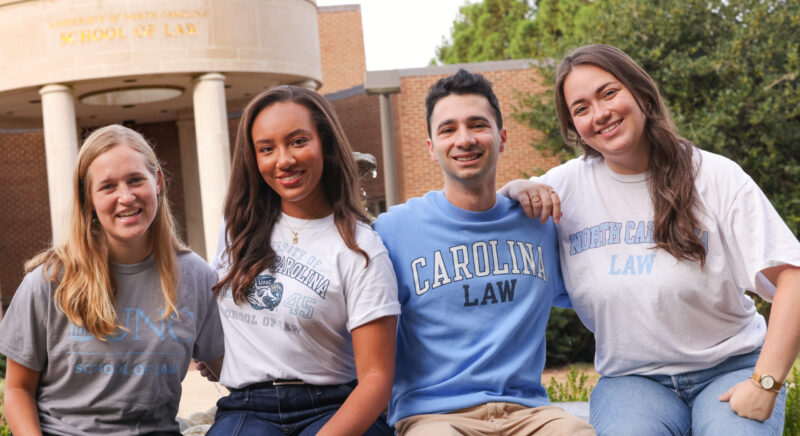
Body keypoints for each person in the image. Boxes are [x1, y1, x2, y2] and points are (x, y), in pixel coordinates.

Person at [501, 44, 800, 435]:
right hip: (633, 382)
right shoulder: (563, 187)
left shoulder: (714, 176)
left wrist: (766, 382)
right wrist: (516, 188)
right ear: (574, 128)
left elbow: (793, 278)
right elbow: (498, 221)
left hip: (730, 368)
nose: (600, 113)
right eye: (581, 108)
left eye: (609, 93)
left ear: (641, 93)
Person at [372, 69, 595, 435]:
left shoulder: (539, 221)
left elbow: (602, 291)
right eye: (448, 129)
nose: (464, 139)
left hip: (530, 414)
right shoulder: (393, 230)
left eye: (478, 125)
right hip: (435, 417)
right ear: (431, 147)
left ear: (502, 138)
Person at [0, 124, 225, 435]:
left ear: (157, 181)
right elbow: (17, 390)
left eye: (135, 180)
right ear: (88, 198)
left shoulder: (195, 277)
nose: (126, 197)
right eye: (107, 187)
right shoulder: (49, 281)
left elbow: (234, 370)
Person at [207, 85, 400, 436]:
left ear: (324, 143)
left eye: (297, 141)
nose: (284, 160)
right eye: (267, 148)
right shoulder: (237, 229)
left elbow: (376, 378)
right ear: (254, 158)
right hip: (248, 410)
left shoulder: (360, 248)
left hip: (335, 406)